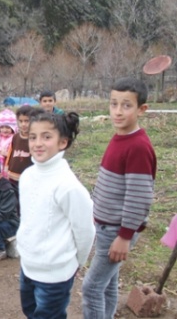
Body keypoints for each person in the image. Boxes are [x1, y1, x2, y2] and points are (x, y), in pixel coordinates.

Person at [82, 77, 156, 319]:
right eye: (114, 104)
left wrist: (124, 237)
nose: (117, 111)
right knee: (108, 285)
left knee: (91, 287)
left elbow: (139, 197)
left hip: (116, 231)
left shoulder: (138, 147)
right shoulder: (120, 138)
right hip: (106, 227)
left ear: (141, 109)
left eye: (126, 105)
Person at [17, 111, 96, 318]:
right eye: (33, 137)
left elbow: (85, 230)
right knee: (30, 311)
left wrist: (76, 262)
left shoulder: (68, 186)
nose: (38, 143)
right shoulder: (27, 176)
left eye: (47, 136)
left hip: (54, 274)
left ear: (63, 142)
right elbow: (28, 218)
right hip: (28, 265)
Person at [5, 105, 39, 189]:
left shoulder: (36, 138)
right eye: (20, 121)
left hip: (29, 178)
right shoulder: (15, 137)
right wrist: (6, 166)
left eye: (27, 121)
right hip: (12, 176)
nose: (23, 124)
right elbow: (11, 152)